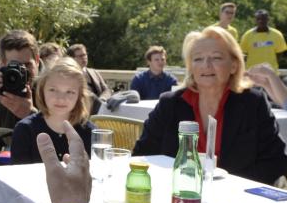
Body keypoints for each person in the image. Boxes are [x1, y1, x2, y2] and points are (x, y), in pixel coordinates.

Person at [133, 26, 287, 185]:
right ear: (191, 66)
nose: (206, 65)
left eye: (216, 58)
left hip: (235, 200)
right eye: (198, 58)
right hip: (177, 194)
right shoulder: (170, 104)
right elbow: (142, 155)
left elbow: (275, 162)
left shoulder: (253, 103)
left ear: (234, 65)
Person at [11, 57, 94, 164]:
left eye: (70, 92)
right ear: (42, 90)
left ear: (80, 95)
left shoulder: (90, 133)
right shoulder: (25, 130)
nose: (61, 98)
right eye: (53, 90)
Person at [67, 43, 112, 114]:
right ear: (72, 59)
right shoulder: (69, 75)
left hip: (100, 111)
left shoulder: (94, 72)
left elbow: (107, 90)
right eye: (80, 56)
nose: (84, 58)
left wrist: (102, 99)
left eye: (85, 55)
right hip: (82, 112)